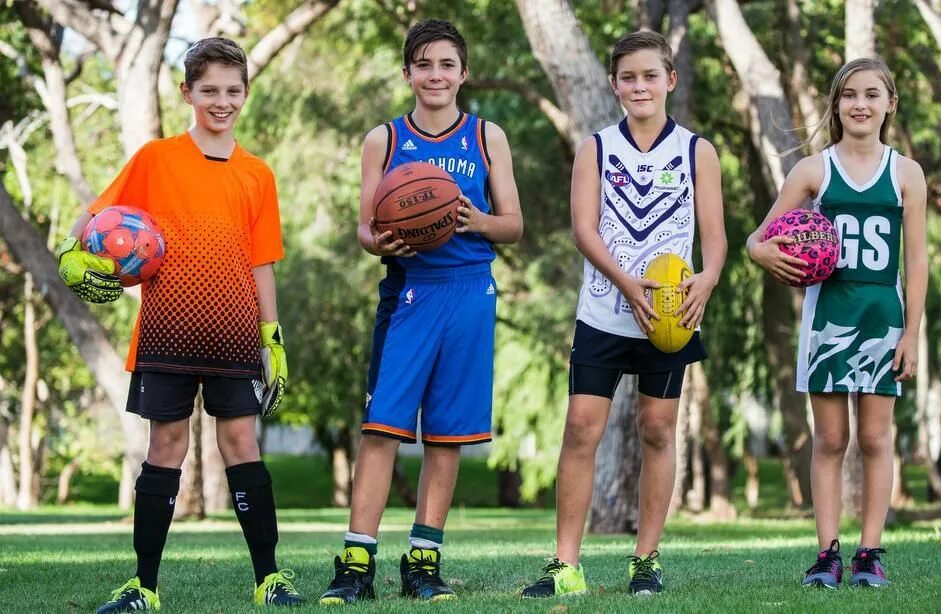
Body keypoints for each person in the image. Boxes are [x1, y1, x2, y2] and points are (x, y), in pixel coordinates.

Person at [57, 37, 303, 612]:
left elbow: (262, 260)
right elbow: (93, 217)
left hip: (236, 331)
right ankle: (144, 586)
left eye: (233, 91)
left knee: (242, 442)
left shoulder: (256, 174)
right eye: (210, 90)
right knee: (165, 446)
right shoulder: (155, 158)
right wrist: (72, 255)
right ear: (187, 92)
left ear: (246, 93)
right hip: (165, 329)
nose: (222, 102)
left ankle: (269, 579)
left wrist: (273, 336)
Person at [317, 19, 523, 605]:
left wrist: (477, 221)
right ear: (407, 73)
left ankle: (423, 562)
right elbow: (365, 225)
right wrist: (378, 241)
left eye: (447, 65)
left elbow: (514, 223)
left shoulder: (487, 137)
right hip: (410, 291)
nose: (436, 75)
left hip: (470, 292)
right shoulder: (383, 138)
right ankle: (356, 563)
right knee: (381, 430)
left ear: (464, 74)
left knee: (447, 436)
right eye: (424, 65)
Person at [521, 30, 726, 598]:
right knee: (581, 428)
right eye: (628, 77)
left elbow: (715, 239)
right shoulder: (597, 148)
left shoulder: (695, 151)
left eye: (650, 76)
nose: (640, 86)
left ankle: (646, 560)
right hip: (605, 312)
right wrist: (625, 284)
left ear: (670, 80)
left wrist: (705, 280)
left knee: (658, 430)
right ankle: (566, 565)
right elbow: (584, 230)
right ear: (614, 85)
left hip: (670, 315)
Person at [747, 57, 928, 589]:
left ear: (889, 104)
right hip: (827, 316)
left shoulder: (905, 173)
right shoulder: (813, 171)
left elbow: (916, 262)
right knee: (829, 440)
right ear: (836, 104)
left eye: (872, 94)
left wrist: (912, 333)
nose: (860, 104)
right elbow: (759, 238)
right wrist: (765, 255)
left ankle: (870, 552)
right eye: (850, 95)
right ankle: (827, 553)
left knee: (876, 438)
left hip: (883, 317)